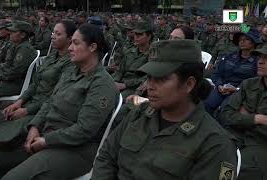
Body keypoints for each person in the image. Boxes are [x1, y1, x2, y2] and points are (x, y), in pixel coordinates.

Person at [0, 23, 118, 180]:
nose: (70, 48)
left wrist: (46, 140)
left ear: (92, 47)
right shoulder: (73, 72)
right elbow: (50, 101)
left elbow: (84, 130)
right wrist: (34, 126)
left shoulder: (101, 84)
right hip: (47, 134)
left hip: (74, 150)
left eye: (75, 43)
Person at [91, 39, 238, 180]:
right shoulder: (140, 113)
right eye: (149, 77)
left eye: (160, 79)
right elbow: (106, 156)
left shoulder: (215, 143)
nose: (150, 86)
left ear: (189, 84)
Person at [0, 20, 77, 180]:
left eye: (58, 34)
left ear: (70, 38)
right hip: (30, 103)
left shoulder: (71, 64)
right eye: (53, 33)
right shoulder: (50, 57)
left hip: (42, 110)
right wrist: (18, 102)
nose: (52, 37)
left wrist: (26, 110)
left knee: (1, 126)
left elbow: (53, 98)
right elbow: (34, 84)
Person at [220, 43, 267, 180]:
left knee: (239, 172)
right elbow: (226, 114)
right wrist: (257, 119)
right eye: (260, 57)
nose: (260, 61)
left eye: (266, 58)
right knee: (211, 161)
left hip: (260, 145)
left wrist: (242, 115)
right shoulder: (248, 84)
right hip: (234, 136)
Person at [204, 28, 262, 115]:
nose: (242, 42)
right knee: (207, 105)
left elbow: (257, 83)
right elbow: (217, 73)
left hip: (241, 93)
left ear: (253, 42)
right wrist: (219, 85)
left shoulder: (258, 61)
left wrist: (237, 89)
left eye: (246, 39)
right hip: (222, 88)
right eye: (240, 40)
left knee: (225, 112)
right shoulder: (230, 56)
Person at [112, 20, 152, 99]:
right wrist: (114, 81)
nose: (136, 37)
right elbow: (120, 70)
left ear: (149, 36)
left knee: (115, 99)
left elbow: (148, 78)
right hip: (122, 83)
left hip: (135, 87)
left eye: (140, 34)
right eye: (135, 34)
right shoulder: (130, 51)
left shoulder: (152, 54)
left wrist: (125, 84)